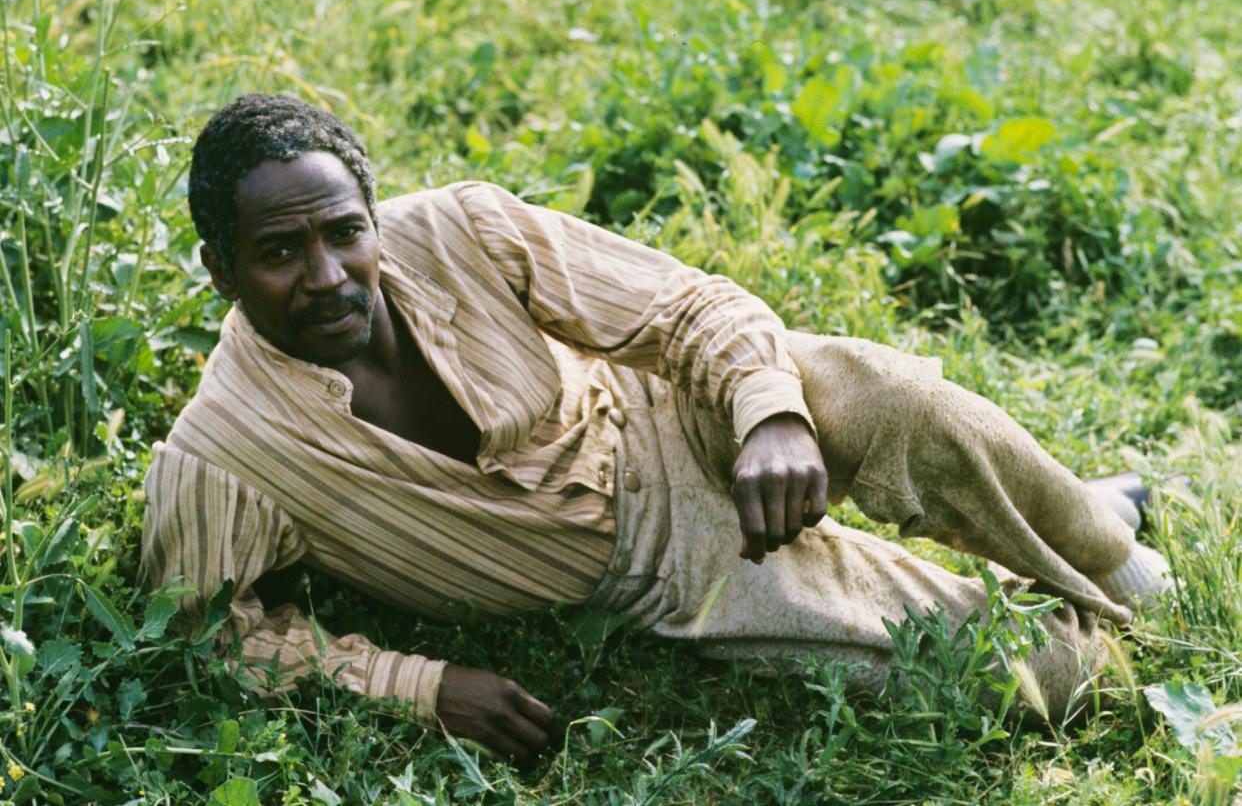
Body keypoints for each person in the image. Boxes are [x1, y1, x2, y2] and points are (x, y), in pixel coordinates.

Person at [141, 93, 1170, 764]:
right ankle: (1072, 547)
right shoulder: (222, 452)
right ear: (223, 271)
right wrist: (418, 685)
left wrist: (769, 416)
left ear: (375, 219)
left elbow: (687, 308)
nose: (325, 276)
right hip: (656, 565)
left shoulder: (457, 227)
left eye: (344, 234)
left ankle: (1107, 548)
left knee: (890, 396)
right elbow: (209, 635)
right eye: (280, 252)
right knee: (1002, 675)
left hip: (669, 416)